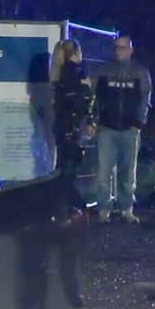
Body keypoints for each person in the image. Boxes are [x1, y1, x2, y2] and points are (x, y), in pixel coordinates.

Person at [91, 34, 153, 223]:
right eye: (117, 47)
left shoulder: (140, 71)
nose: (119, 51)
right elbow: (94, 96)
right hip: (107, 128)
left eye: (123, 47)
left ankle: (126, 208)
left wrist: (139, 122)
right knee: (104, 172)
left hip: (130, 129)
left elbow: (145, 98)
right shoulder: (104, 70)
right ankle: (104, 210)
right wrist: (93, 120)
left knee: (128, 173)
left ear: (131, 50)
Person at [51, 39, 97, 194]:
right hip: (73, 126)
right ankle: (69, 204)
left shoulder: (59, 72)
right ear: (77, 52)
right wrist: (86, 89)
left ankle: (62, 201)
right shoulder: (77, 72)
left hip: (62, 126)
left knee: (63, 166)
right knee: (71, 169)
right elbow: (80, 101)